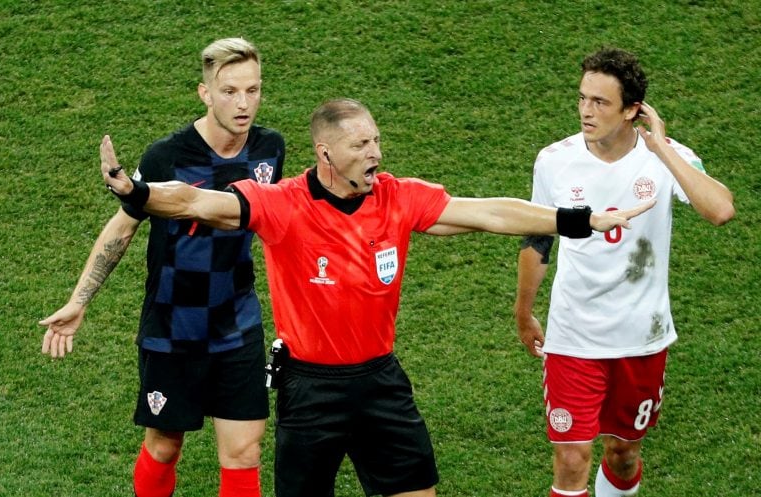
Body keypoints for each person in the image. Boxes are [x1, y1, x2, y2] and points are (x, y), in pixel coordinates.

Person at [100, 97, 652, 497]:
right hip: (309, 390)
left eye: (376, 141)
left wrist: (578, 220)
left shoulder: (398, 197)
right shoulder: (282, 204)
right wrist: (138, 192)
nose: (375, 152)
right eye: (361, 144)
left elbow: (488, 211)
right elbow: (201, 204)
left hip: (380, 382)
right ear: (325, 151)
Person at [39, 37, 284, 497]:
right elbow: (122, 229)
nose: (244, 102)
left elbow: (277, 220)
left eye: (253, 90)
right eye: (230, 91)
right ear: (204, 93)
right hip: (173, 328)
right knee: (165, 445)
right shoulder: (167, 155)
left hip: (238, 324)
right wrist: (78, 301)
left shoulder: (270, 148)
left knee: (244, 453)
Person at [513, 47, 735, 497]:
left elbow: (721, 210)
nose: (585, 111)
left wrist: (662, 150)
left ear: (633, 110)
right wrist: (524, 310)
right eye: (582, 98)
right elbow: (538, 236)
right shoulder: (554, 160)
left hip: (642, 337)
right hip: (573, 334)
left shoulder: (667, 157)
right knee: (571, 456)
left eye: (600, 103)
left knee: (623, 452)